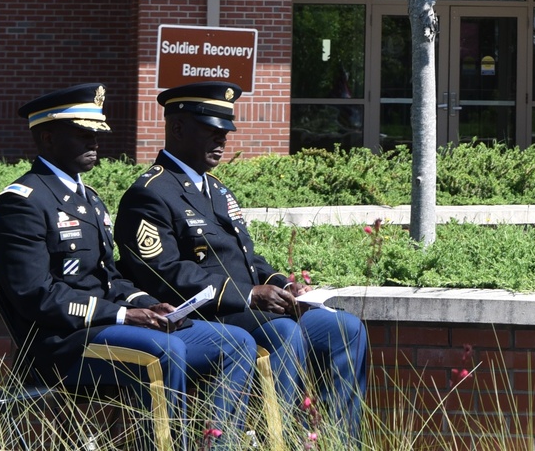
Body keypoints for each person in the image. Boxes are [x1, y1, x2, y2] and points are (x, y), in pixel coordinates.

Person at [0, 83, 258, 447]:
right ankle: (164, 444)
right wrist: (120, 316)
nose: (95, 143)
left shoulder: (89, 200)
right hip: (64, 342)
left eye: (96, 134)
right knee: (165, 350)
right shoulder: (22, 203)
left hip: (108, 331)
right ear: (48, 139)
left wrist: (148, 305)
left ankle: (216, 444)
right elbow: (36, 295)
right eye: (82, 135)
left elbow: (109, 278)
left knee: (235, 342)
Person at [113, 81, 368, 440]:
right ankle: (277, 441)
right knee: (284, 332)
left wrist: (281, 284)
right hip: (211, 316)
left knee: (346, 329)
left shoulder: (216, 190)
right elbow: (163, 274)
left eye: (225, 131)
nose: (222, 140)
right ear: (178, 128)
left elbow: (250, 259)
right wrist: (249, 295)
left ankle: (338, 442)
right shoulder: (150, 194)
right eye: (210, 130)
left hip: (252, 309)